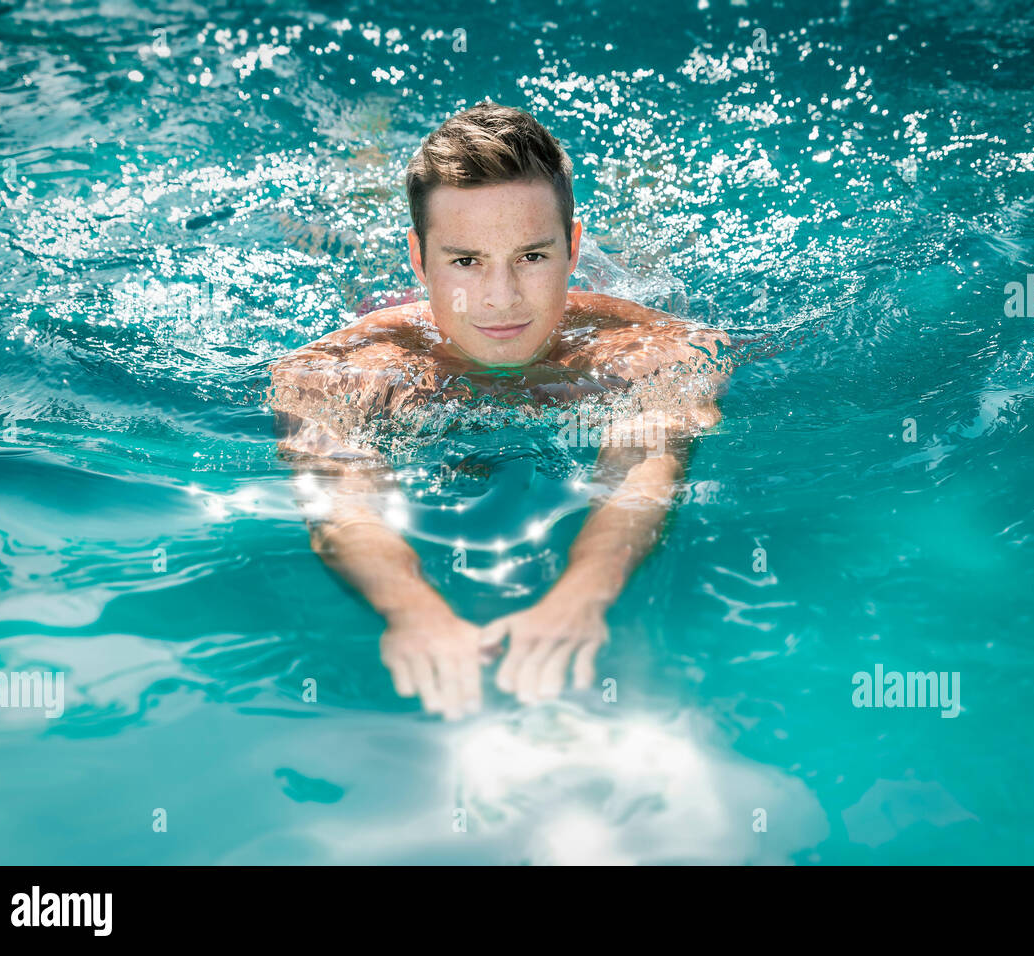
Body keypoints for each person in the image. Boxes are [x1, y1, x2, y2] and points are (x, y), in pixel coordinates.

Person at [268, 101, 729, 720]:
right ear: (420, 258)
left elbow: (644, 474)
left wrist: (585, 593)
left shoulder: (650, 350)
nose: (500, 298)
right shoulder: (344, 371)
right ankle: (363, 147)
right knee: (348, 240)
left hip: (603, 305)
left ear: (572, 247)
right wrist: (411, 609)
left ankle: (638, 187)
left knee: (650, 252)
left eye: (533, 256)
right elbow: (341, 502)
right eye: (465, 261)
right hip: (390, 303)